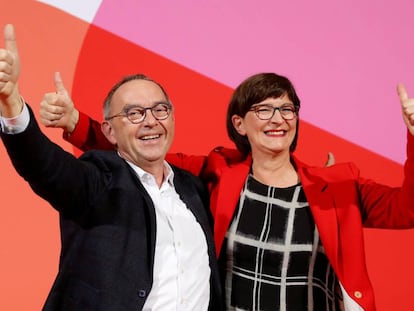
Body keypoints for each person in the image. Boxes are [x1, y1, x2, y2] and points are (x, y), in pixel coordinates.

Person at [39, 40, 414, 311]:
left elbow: (406, 209)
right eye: (263, 110)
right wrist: (77, 123)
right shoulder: (216, 173)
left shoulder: (337, 185)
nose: (277, 119)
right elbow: (144, 150)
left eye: (286, 109)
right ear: (240, 123)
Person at [0, 24, 223, 311]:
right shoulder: (98, 179)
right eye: (134, 113)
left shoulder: (193, 189)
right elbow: (47, 168)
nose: (150, 121)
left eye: (160, 109)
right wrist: (11, 105)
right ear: (110, 132)